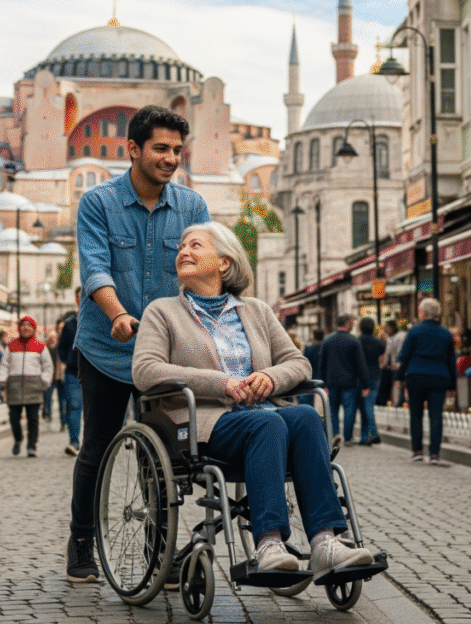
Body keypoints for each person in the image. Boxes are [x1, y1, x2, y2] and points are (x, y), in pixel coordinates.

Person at [133, 222, 374, 577]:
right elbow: (146, 370)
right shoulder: (163, 311)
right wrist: (222, 383)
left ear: (224, 263)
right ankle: (269, 544)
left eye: (195, 245)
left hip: (262, 416)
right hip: (206, 422)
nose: (183, 252)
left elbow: (298, 362)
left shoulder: (257, 311)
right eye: (181, 247)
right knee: (269, 421)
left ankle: (325, 542)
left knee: (306, 417)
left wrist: (269, 377)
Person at [66, 105, 211, 583]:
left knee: (165, 456)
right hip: (107, 348)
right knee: (97, 448)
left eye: (176, 150)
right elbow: (95, 269)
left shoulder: (191, 207)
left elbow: (203, 271)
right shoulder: (98, 203)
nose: (171, 158)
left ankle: (160, 551)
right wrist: (120, 316)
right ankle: (82, 545)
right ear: (133, 149)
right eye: (161, 149)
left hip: (164, 356)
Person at [396, 298, 456, 465]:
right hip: (439, 377)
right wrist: (452, 385)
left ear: (423, 313)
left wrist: (400, 377)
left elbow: (405, 357)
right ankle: (435, 454)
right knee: (436, 415)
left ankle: (417, 451)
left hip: (416, 376)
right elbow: (451, 360)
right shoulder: (445, 333)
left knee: (416, 414)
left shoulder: (414, 331)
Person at [0, 316, 53, 458]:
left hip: (34, 386)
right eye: (23, 325)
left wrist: (44, 382)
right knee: (14, 418)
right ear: (19, 328)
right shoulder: (11, 346)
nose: (26, 328)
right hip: (14, 386)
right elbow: (4, 365)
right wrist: (2, 380)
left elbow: (48, 367)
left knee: (33, 419)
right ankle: (18, 438)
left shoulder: (41, 346)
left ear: (34, 329)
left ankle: (31, 446)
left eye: (29, 325)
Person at [318, 314, 370, 446]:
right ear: (347, 324)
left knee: (333, 410)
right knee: (349, 410)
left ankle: (336, 434)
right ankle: (348, 437)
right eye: (351, 323)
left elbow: (322, 363)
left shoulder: (328, 340)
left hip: (331, 382)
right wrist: (365, 384)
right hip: (349, 382)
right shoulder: (354, 341)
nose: (353, 325)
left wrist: (322, 383)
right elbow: (361, 365)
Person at [57, 288, 83, 457]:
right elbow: (61, 348)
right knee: (74, 406)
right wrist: (69, 360)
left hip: (96, 371)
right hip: (74, 372)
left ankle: (93, 444)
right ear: (76, 299)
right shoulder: (69, 324)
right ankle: (74, 442)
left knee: (95, 409)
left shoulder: (100, 320)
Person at [356, 317, 383, 445]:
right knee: (368, 405)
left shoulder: (357, 341)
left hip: (361, 377)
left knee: (365, 407)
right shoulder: (378, 342)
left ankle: (372, 432)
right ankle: (365, 437)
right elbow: (382, 357)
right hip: (375, 376)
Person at [377, 320, 405, 406]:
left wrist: (398, 364)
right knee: (384, 387)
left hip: (396, 367)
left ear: (391, 327)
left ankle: (398, 403)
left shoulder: (401, 336)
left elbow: (400, 352)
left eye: (386, 327)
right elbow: (387, 352)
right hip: (387, 367)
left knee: (396, 386)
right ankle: (383, 402)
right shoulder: (389, 338)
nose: (384, 330)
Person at [300, 328, 325, 407]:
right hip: (323, 378)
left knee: (307, 401)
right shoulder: (324, 347)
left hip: (311, 377)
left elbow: (304, 363)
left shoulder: (309, 349)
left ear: (313, 337)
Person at [42, 332, 59, 423]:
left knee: (48, 396)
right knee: (47, 396)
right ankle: (47, 413)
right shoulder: (46, 349)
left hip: (54, 377)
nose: (52, 339)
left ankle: (48, 413)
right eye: (51, 337)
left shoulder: (57, 349)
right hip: (47, 376)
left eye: (54, 337)